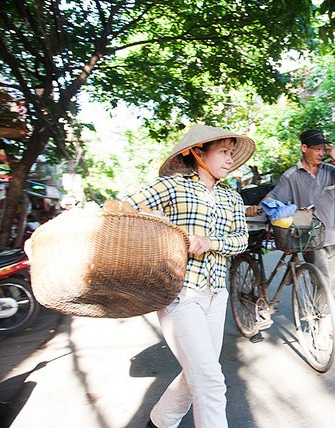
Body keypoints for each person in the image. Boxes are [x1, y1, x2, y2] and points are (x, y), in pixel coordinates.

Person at [125, 124, 255, 428]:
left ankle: (158, 422)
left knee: (196, 373)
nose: (229, 158)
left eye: (231, 152)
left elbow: (240, 240)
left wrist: (210, 243)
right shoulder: (173, 187)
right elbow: (122, 207)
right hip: (180, 295)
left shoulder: (231, 198)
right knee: (210, 382)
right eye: (222, 151)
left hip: (216, 294)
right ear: (197, 152)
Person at [248, 129, 335, 311]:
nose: (321, 153)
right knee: (322, 283)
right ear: (304, 148)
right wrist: (256, 207)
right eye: (317, 149)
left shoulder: (330, 170)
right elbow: (273, 196)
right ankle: (323, 324)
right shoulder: (291, 176)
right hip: (311, 238)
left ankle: (328, 318)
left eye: (323, 149)